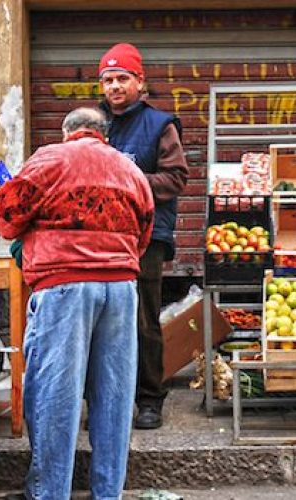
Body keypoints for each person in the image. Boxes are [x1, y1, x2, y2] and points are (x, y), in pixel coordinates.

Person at [0, 107, 154, 500]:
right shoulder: (130, 170)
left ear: (69, 133)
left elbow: (6, 216)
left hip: (65, 288)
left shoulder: (50, 158)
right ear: (103, 135)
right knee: (113, 399)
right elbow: (144, 234)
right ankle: (107, 493)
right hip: (120, 288)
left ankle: (50, 493)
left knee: (55, 397)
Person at [97, 42, 189, 430]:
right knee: (100, 319)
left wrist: (126, 179)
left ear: (139, 81)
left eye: (122, 78)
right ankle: (103, 400)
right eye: (108, 80)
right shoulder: (90, 122)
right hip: (97, 236)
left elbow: (176, 177)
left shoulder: (160, 124)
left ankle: (150, 399)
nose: (115, 86)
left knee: (143, 319)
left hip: (145, 236)